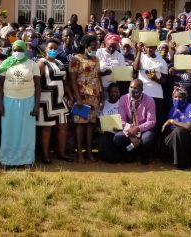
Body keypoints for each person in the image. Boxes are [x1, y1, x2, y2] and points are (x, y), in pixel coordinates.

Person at [0, 40, 40, 169]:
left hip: (28, 101)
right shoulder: (5, 63)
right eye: (15, 50)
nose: (17, 53)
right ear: (11, 51)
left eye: (20, 50)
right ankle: (6, 160)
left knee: (27, 132)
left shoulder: (32, 65)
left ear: (25, 50)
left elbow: (38, 86)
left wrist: (37, 105)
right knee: (8, 131)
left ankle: (27, 160)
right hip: (9, 101)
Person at [69, 34, 103, 162]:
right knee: (80, 125)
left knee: (90, 124)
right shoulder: (76, 59)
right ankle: (79, 153)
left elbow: (98, 76)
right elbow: (72, 80)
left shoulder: (96, 59)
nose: (95, 48)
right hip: (81, 97)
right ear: (86, 46)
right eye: (93, 46)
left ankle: (89, 152)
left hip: (94, 97)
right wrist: (77, 97)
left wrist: (102, 93)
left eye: (96, 45)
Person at [37, 39, 72, 163]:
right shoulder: (41, 63)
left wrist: (70, 96)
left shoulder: (59, 62)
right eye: (50, 48)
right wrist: (36, 103)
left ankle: (61, 153)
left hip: (60, 99)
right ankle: (45, 155)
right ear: (45, 49)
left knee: (63, 126)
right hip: (46, 100)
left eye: (55, 49)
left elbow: (65, 82)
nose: (53, 50)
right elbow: (37, 84)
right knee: (47, 128)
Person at [112, 80, 156, 163]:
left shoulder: (150, 100)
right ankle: (130, 153)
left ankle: (144, 155)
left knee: (147, 139)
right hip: (129, 128)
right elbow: (122, 119)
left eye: (135, 88)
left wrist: (138, 128)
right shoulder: (123, 98)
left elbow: (151, 121)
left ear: (142, 89)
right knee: (118, 139)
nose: (132, 89)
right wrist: (132, 135)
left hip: (143, 129)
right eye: (131, 87)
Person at [161, 87, 191, 169]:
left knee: (178, 131)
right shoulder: (172, 109)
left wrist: (172, 121)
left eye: (180, 97)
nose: (177, 99)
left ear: (185, 98)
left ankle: (181, 163)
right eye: (175, 97)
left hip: (188, 138)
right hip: (173, 138)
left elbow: (189, 126)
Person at [134, 40, 168, 135]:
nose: (149, 49)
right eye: (147, 47)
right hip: (142, 94)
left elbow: (165, 80)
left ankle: (154, 143)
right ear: (144, 48)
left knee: (155, 120)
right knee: (141, 118)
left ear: (155, 48)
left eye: (152, 47)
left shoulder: (162, 61)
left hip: (157, 95)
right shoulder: (141, 57)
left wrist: (155, 79)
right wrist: (139, 51)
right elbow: (136, 68)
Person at [96, 34, 125, 98]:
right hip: (97, 86)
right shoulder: (98, 52)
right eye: (110, 46)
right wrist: (103, 74)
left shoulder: (120, 56)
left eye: (114, 47)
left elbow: (123, 72)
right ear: (105, 43)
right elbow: (92, 69)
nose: (112, 49)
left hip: (111, 88)